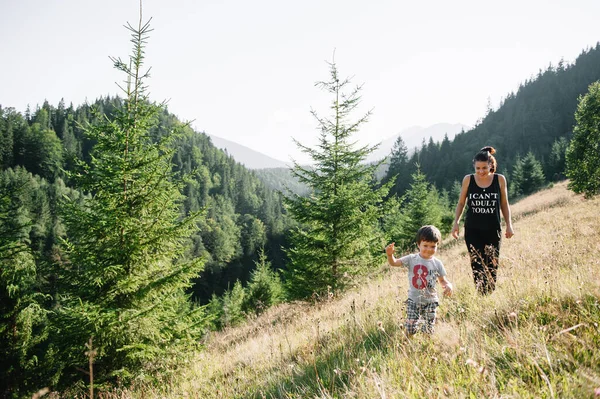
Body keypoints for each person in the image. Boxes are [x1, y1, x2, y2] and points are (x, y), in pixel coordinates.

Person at [451, 146, 514, 295]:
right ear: (474, 165)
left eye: (484, 168)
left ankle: (490, 293)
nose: (481, 171)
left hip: (493, 229)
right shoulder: (468, 180)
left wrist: (509, 225)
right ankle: (481, 294)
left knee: (492, 262)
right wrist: (456, 223)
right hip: (473, 229)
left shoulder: (499, 179)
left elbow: (504, 203)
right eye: (478, 168)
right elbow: (461, 203)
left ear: (491, 165)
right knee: (477, 263)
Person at [385, 225, 453, 336]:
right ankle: (408, 344)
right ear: (418, 245)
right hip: (414, 300)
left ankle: (425, 347)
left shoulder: (437, 263)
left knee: (428, 329)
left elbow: (443, 281)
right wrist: (389, 255)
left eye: (433, 246)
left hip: (431, 301)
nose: (429, 249)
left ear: (437, 246)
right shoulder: (412, 259)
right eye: (425, 245)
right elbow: (394, 263)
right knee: (411, 328)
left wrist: (449, 285)